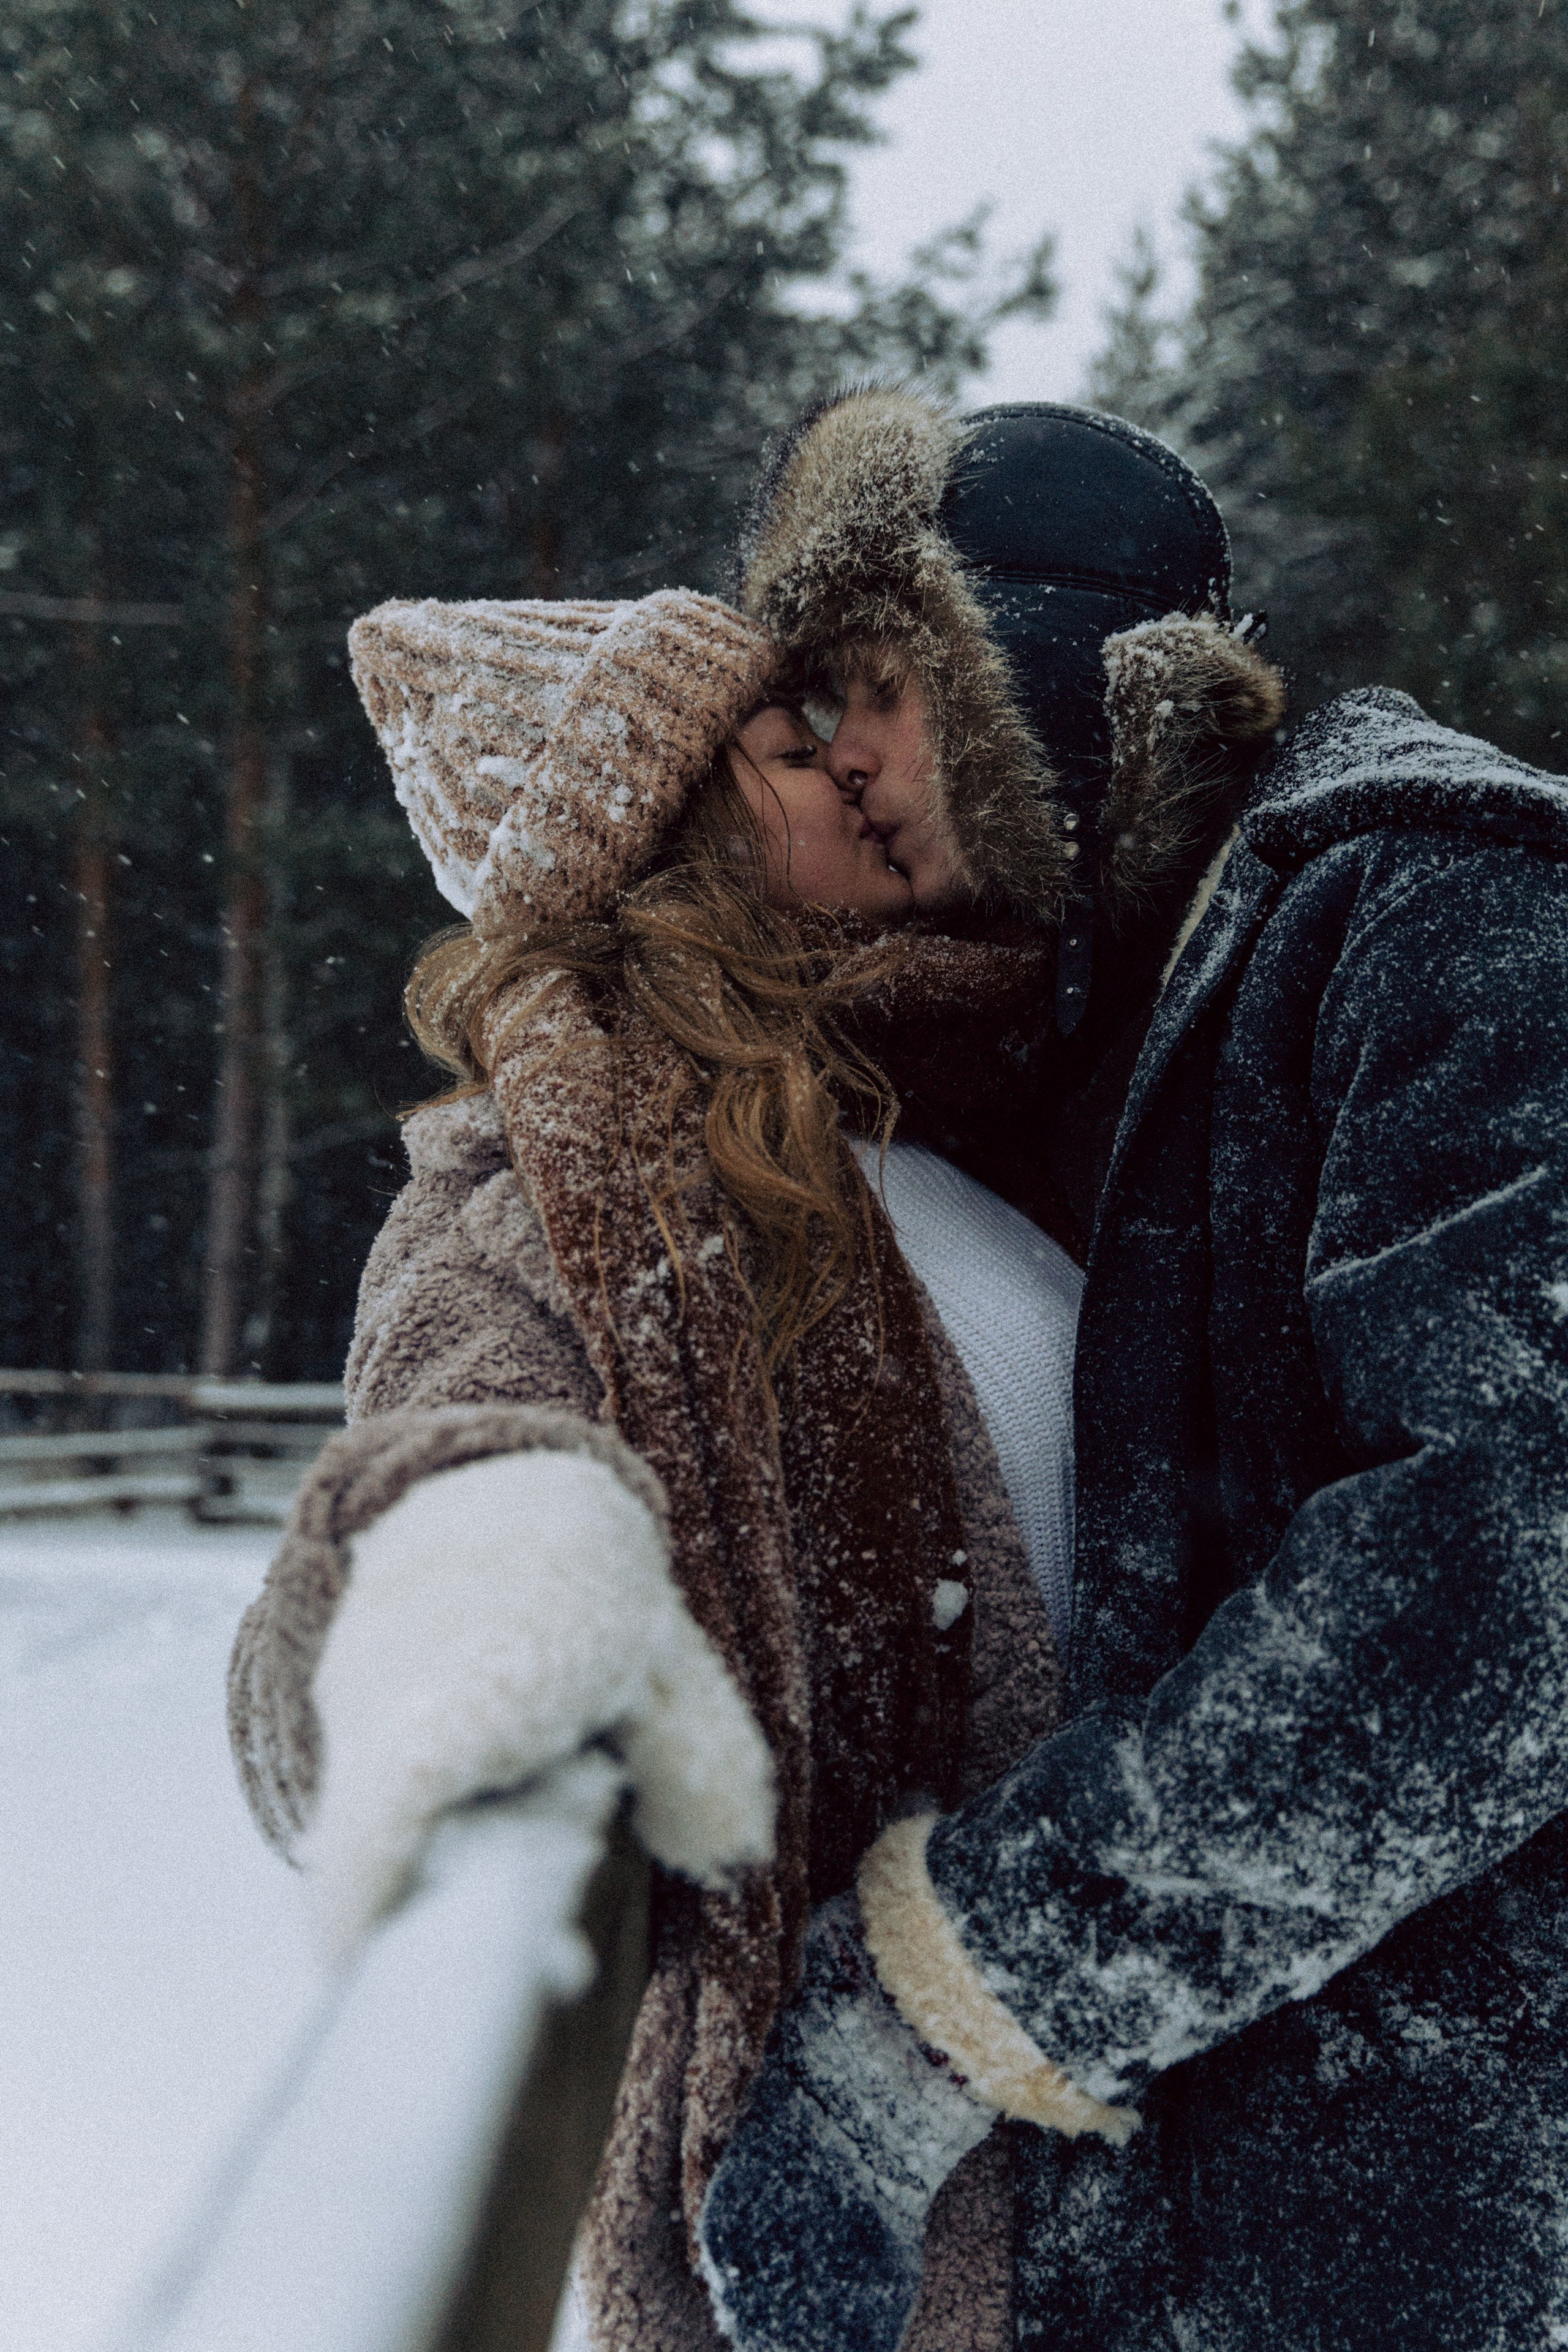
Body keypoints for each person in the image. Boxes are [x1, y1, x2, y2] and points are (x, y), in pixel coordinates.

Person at [695, 388, 1568, 2352]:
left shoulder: (1445, 905)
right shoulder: (1044, 1035)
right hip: (1135, 2238)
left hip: (1390, 2215)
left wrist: (950, 2008)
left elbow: (1504, 1573)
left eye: (878, 681)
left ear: (1055, 678)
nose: (836, 751)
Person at [227, 583, 1097, 2351]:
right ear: (667, 834)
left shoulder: (962, 1120)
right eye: (793, 748)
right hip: (862, 2223)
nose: (860, 766)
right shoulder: (531, 1214)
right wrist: (479, 1560)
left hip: (1109, 2140)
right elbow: (344, 1629)